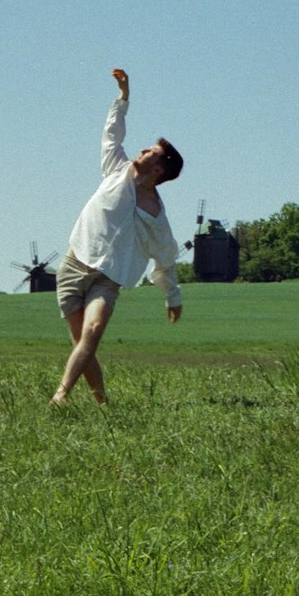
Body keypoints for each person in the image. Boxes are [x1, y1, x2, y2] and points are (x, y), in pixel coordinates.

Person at [51, 68, 183, 406]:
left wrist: (172, 296)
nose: (141, 150)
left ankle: (60, 396)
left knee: (92, 333)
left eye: (150, 152)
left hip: (107, 279)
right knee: (82, 341)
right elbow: (112, 134)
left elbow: (166, 257)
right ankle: (102, 403)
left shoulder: (156, 215)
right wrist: (123, 98)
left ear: (159, 170)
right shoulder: (116, 169)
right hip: (73, 265)